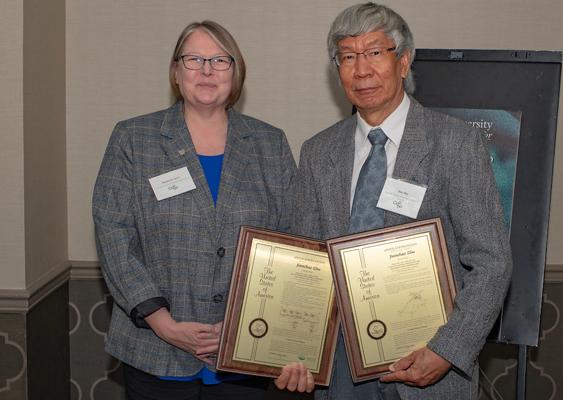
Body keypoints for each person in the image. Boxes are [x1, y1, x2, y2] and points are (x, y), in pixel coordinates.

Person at [279, 2, 513, 399]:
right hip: (340, 373)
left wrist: (447, 351)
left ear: (404, 62)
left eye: (374, 52)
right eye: (348, 56)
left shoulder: (455, 143)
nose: (361, 69)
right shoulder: (319, 152)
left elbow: (492, 261)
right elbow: (306, 263)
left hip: (430, 367)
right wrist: (292, 349)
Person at [93, 20, 296, 399]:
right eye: (194, 59)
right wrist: (163, 323)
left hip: (245, 352)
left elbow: (288, 243)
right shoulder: (134, 140)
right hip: (155, 350)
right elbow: (113, 234)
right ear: (175, 71)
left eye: (221, 60)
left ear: (237, 74)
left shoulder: (270, 143)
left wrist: (242, 326)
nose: (206, 70)